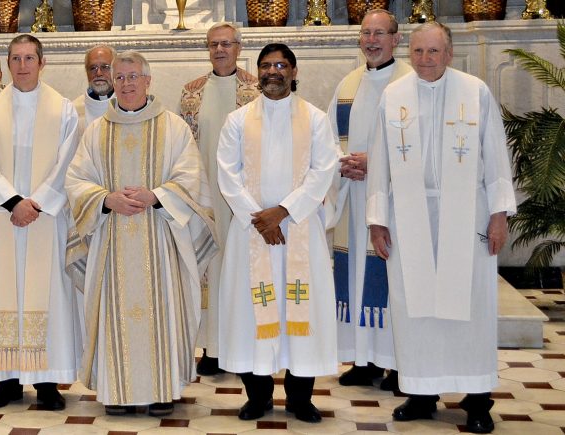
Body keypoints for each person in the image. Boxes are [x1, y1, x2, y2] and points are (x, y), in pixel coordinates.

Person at [365, 22, 515, 434]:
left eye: (434, 52)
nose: (425, 60)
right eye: (418, 52)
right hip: (409, 216)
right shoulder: (393, 95)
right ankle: (421, 392)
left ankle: (478, 398)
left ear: (449, 53)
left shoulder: (475, 91)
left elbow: (495, 155)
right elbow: (379, 162)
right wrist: (377, 220)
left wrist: (499, 213)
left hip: (467, 215)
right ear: (408, 53)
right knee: (417, 307)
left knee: (469, 308)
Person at [67, 51, 217, 417]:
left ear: (148, 81)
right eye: (120, 77)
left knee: (162, 309)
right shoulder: (97, 130)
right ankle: (117, 392)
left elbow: (191, 178)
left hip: (160, 239)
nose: (127, 83)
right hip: (111, 238)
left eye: (134, 76)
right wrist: (106, 200)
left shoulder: (173, 127)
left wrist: (157, 195)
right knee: (113, 312)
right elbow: (76, 180)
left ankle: (161, 389)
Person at [216, 43, 338, 423]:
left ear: (294, 71)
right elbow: (227, 174)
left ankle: (301, 399)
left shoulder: (316, 119)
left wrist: (283, 213)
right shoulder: (237, 121)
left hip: (299, 230)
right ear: (257, 72)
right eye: (267, 66)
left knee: (303, 312)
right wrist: (261, 219)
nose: (274, 72)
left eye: (281, 65)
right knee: (252, 312)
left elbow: (323, 171)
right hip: (252, 232)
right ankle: (258, 396)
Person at [0, 34, 80, 411]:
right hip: (3, 220)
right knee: (2, 296)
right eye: (15, 58)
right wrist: (14, 202)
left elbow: (68, 163)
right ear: (8, 63)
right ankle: (7, 381)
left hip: (46, 221)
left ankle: (47, 383)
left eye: (29, 57)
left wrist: (37, 204)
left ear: (42, 62)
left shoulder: (63, 110)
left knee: (48, 296)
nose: (22, 65)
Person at [327, 8, 411, 391]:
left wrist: (374, 163)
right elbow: (326, 138)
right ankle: (364, 360)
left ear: (396, 38)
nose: (372, 41)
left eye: (380, 33)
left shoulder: (411, 82)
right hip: (354, 197)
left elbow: (420, 147)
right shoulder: (349, 84)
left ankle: (399, 364)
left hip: (396, 204)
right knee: (356, 277)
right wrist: (341, 164)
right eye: (366, 33)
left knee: (394, 278)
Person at [178, 21, 258, 377]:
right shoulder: (192, 92)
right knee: (208, 267)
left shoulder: (257, 90)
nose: (220, 50)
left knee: (240, 268)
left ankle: (242, 343)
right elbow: (185, 146)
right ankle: (211, 347)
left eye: (226, 43)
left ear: (239, 47)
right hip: (207, 195)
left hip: (243, 198)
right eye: (213, 44)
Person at [72, 44, 116, 127]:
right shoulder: (74, 110)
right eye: (93, 68)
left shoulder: (127, 105)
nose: (99, 73)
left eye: (105, 67)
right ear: (86, 72)